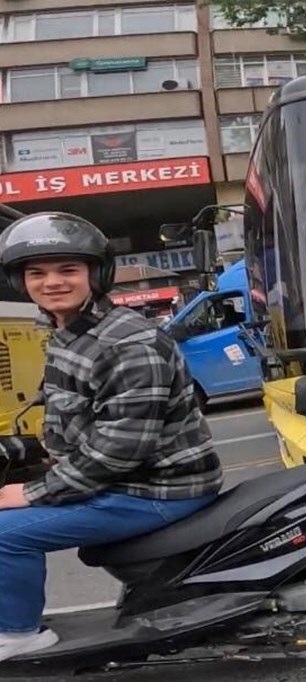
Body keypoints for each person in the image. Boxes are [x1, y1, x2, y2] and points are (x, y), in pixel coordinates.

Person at [0, 212, 222, 662]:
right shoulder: (69, 330)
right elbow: (79, 417)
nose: (51, 283)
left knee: (4, 534)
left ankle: (18, 634)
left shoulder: (127, 344)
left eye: (68, 270)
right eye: (36, 273)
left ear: (95, 275)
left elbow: (120, 451)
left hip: (157, 488)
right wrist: (29, 450)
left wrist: (34, 491)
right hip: (127, 479)